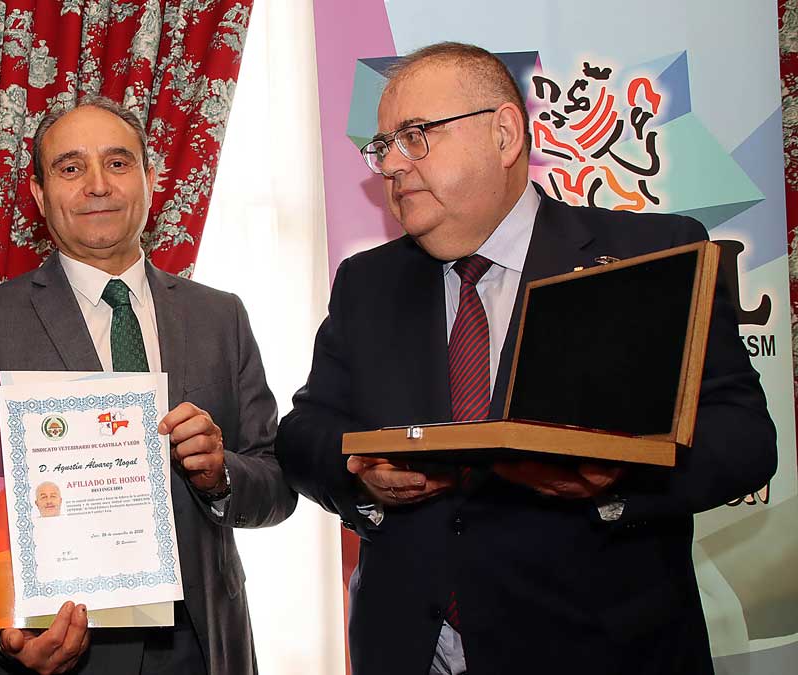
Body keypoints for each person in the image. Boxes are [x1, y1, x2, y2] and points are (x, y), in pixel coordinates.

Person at [276, 42, 776, 675]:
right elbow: (304, 434)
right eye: (382, 146)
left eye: (415, 135)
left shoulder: (647, 255)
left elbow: (745, 437)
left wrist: (621, 477)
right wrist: (357, 472)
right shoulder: (366, 282)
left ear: (505, 134)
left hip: (599, 649)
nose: (392, 166)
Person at [0, 95, 297, 675]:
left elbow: (278, 483)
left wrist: (220, 476)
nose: (97, 185)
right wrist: (4, 628)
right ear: (39, 194)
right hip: (70, 649)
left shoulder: (221, 317)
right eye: (70, 168)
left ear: (150, 178)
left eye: (117, 163)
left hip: (206, 644)